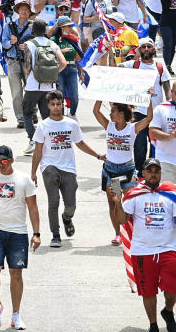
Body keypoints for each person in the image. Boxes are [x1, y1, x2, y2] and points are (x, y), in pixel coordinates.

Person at [107, 158, 176, 332]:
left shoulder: (172, 193)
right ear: (144, 173)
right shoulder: (134, 195)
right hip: (142, 251)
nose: (153, 174)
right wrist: (117, 202)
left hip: (167, 249)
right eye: (150, 171)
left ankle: (168, 311)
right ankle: (153, 324)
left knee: (173, 286)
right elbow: (121, 220)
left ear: (160, 173)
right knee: (148, 292)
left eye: (156, 171)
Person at [0, 145, 42, 330]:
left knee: (16, 273)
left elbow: (33, 208)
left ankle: (16, 314)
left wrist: (36, 233)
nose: (0, 164)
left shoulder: (24, 179)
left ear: (12, 160)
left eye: (4, 161)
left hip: (18, 232)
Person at [30, 90, 105, 248]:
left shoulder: (71, 124)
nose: (56, 107)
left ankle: (67, 218)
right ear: (48, 106)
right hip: (49, 167)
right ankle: (55, 235)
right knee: (53, 201)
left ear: (63, 104)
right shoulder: (43, 126)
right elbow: (38, 150)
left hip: (69, 168)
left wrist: (97, 155)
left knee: (70, 204)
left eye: (59, 104)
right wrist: (33, 172)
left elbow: (80, 143)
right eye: (53, 104)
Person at [92, 100, 152, 245]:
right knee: (114, 203)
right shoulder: (109, 126)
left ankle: (138, 232)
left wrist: (150, 98)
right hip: (111, 172)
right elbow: (95, 111)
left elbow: (149, 118)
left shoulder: (132, 128)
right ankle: (118, 234)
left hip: (127, 171)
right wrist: (100, 95)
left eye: (112, 111)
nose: (110, 114)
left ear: (121, 114)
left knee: (134, 202)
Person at [122, 37, 171, 175]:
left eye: (149, 47)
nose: (146, 49)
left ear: (154, 49)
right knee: (139, 144)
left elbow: (167, 87)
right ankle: (139, 171)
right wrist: (111, 52)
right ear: (139, 50)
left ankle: (153, 169)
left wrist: (170, 103)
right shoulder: (132, 65)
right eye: (143, 47)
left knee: (156, 143)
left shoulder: (160, 67)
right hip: (138, 111)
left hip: (157, 111)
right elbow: (114, 69)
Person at [21, 19, 66, 153]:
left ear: (33, 31)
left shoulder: (29, 44)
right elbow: (63, 63)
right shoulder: (52, 44)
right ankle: (48, 142)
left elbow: (28, 65)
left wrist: (30, 77)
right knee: (47, 116)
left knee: (27, 112)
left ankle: (33, 140)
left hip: (33, 86)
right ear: (45, 30)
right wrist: (52, 74)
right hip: (50, 87)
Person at [2, 0, 34, 130]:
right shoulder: (8, 26)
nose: (24, 11)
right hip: (13, 61)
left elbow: (38, 42)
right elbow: (3, 43)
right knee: (16, 92)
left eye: (26, 9)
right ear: (17, 11)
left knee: (31, 89)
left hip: (27, 61)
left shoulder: (32, 26)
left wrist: (27, 47)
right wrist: (11, 42)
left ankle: (32, 112)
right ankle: (21, 118)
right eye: (21, 9)